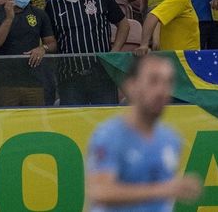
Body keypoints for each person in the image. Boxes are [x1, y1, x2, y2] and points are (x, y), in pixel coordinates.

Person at [87, 54, 203, 207]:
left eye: (167, 82)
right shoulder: (108, 135)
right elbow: (100, 191)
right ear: (131, 86)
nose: (162, 91)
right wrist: (165, 189)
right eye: (153, 81)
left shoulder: (171, 138)